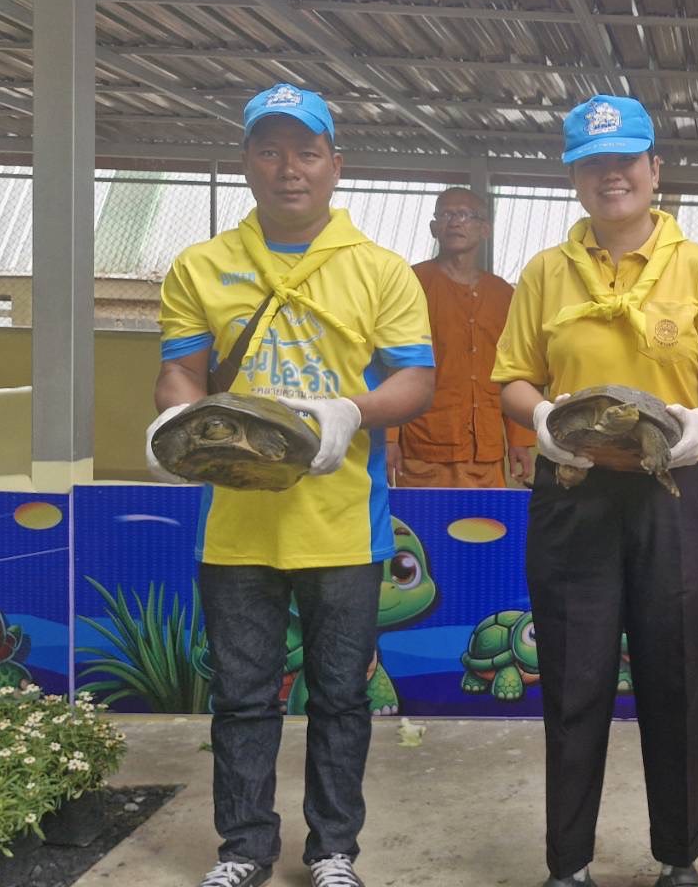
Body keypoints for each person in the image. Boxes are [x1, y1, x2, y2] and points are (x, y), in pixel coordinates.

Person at [146, 82, 436, 887]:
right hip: (235, 528)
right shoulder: (202, 265)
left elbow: (416, 381)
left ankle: (334, 849)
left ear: (335, 164)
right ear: (246, 161)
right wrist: (175, 421)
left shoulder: (379, 271)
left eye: (306, 152)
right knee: (242, 697)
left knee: (340, 696)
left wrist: (351, 411)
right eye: (270, 151)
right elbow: (181, 370)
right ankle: (243, 849)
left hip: (344, 524)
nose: (289, 169)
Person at [491, 94, 698, 887]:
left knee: (674, 674)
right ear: (574, 177)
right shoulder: (545, 272)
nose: (613, 176)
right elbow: (513, 377)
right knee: (574, 677)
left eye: (626, 160)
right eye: (594, 164)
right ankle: (568, 863)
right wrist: (541, 421)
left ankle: (678, 856)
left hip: (672, 489)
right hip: (573, 487)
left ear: (654, 169)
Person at [386, 187, 536, 487]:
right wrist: (389, 438)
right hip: (423, 446)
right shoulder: (411, 283)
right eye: (446, 214)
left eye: (466, 215)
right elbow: (391, 363)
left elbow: (515, 370)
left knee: (485, 519)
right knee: (420, 520)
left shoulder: (503, 294)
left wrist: (520, 439)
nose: (455, 222)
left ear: (485, 229)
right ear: (434, 228)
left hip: (486, 449)